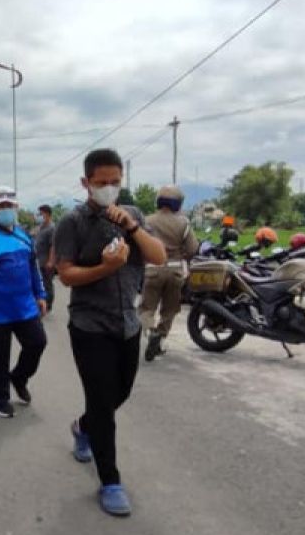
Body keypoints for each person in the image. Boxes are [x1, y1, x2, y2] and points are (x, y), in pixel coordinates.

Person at [54, 149, 166, 516]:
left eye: (115, 182)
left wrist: (132, 228)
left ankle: (82, 426)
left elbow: (159, 256)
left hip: (127, 324)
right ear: (86, 183)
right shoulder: (72, 223)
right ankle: (110, 480)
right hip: (90, 326)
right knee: (103, 403)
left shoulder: (132, 216)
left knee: (121, 392)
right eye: (101, 183)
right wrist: (105, 267)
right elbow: (66, 274)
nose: (109, 188)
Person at [0, 187, 47, 417]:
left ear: (16, 207)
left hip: (25, 306)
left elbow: (33, 268)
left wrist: (41, 295)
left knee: (37, 342)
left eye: (9, 205)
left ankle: (18, 377)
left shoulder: (24, 235)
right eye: (0, 206)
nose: (5, 210)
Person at [139, 185, 198, 361]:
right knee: (170, 310)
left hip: (152, 270)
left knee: (147, 308)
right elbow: (193, 249)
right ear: (178, 203)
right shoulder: (184, 223)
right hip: (175, 272)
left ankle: (151, 332)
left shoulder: (146, 221)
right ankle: (160, 334)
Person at [34, 204, 57, 311]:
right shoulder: (41, 227)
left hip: (46, 261)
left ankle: (48, 305)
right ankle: (42, 303)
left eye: (41, 213)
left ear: (47, 214)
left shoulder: (52, 228)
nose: (39, 216)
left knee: (47, 284)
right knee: (41, 283)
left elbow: (53, 245)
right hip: (39, 261)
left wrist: (51, 261)